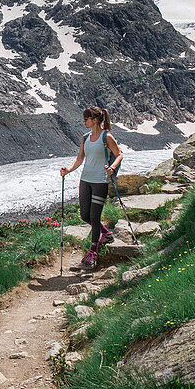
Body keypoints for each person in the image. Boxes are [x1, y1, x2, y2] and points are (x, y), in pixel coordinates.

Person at [60, 106, 123, 269]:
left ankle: (92, 252)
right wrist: (68, 170)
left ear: (94, 119)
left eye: (86, 119)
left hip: (100, 180)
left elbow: (119, 154)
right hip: (85, 180)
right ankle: (106, 233)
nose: (84, 121)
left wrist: (113, 168)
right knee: (84, 215)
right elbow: (80, 158)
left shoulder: (106, 137)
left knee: (94, 217)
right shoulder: (85, 137)